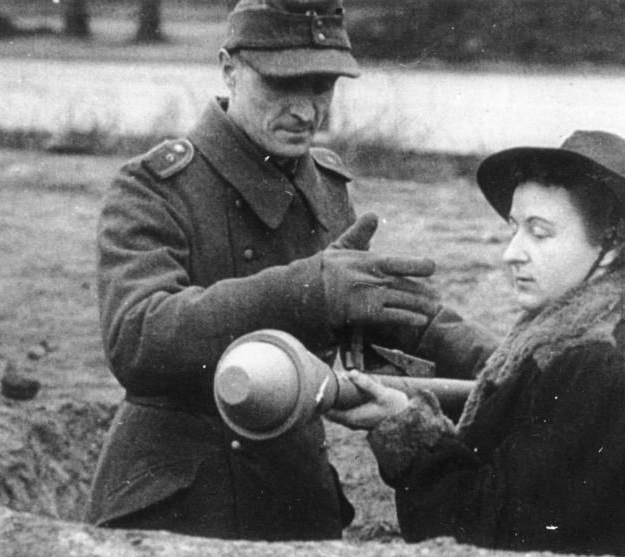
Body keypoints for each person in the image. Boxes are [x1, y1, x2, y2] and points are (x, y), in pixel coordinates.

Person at [86, 0, 493, 541]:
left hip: (294, 499)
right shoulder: (155, 188)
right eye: (283, 84)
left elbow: (392, 316)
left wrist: (510, 364)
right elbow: (137, 338)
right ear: (229, 68)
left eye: (322, 86)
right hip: (176, 507)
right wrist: (306, 292)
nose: (306, 111)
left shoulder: (324, 186)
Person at [327, 130, 625, 555]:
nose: (511, 253)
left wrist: (408, 431)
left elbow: (492, 534)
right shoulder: (588, 339)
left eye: (540, 232)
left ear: (612, 248)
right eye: (515, 229)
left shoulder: (596, 364)